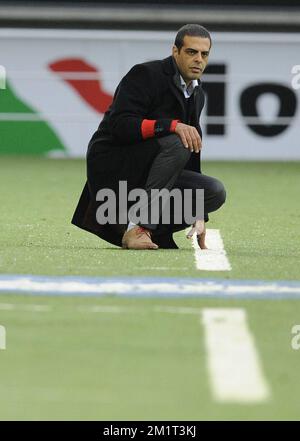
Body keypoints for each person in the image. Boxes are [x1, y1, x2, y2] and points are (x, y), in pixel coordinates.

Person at [72, 24, 226, 250]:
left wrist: (198, 213)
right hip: (115, 165)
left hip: (154, 170)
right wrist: (172, 126)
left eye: (204, 54)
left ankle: (152, 232)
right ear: (175, 51)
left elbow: (191, 152)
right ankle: (138, 227)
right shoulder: (146, 74)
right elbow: (119, 125)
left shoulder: (196, 93)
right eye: (191, 52)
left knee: (213, 192)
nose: (198, 59)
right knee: (177, 140)